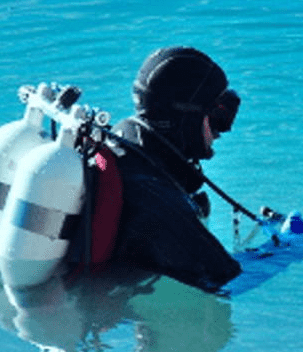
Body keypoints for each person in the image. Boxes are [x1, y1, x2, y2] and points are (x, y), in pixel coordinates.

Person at [98, 46, 243, 293]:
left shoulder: (124, 148)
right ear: (186, 118)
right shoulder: (157, 200)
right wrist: (288, 248)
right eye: (217, 116)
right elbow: (227, 278)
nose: (222, 131)